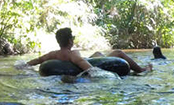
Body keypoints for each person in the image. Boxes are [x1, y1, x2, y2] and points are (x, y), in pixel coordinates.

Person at [23, 28, 152, 73]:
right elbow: (88, 68)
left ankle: (141, 69)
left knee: (97, 54)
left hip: (87, 59)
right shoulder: (73, 54)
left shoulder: (53, 54)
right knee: (119, 52)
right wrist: (99, 75)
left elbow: (38, 60)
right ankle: (141, 70)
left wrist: (24, 65)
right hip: (88, 63)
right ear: (70, 41)